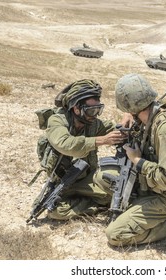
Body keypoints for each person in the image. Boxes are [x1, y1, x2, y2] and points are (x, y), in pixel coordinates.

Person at [94, 73, 166, 246]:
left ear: (130, 107)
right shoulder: (151, 115)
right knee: (102, 177)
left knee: (115, 234)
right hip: (155, 186)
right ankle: (144, 209)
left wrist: (138, 160)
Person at [41, 79, 130, 220]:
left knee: (117, 188)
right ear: (76, 108)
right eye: (91, 110)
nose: (95, 115)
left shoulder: (92, 122)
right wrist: (102, 140)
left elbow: (115, 129)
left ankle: (100, 202)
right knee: (56, 211)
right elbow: (65, 144)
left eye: (98, 110)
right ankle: (100, 205)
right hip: (65, 181)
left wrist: (127, 120)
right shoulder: (57, 121)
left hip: (87, 177)